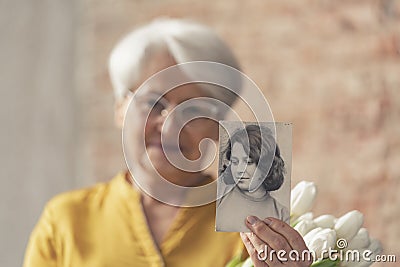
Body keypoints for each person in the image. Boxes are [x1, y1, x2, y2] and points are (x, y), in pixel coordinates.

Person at [23, 18, 311, 267]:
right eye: (152, 102)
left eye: (195, 109)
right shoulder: (65, 221)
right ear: (120, 109)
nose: (171, 124)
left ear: (220, 125)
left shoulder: (253, 227)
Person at [216, 124, 290, 232]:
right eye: (235, 162)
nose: (240, 170)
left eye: (248, 162)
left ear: (266, 164)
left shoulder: (281, 213)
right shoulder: (219, 199)